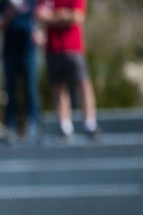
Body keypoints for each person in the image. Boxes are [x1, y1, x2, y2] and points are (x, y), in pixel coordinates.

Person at [35, 0, 97, 139]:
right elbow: (39, 15)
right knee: (58, 87)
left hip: (74, 47)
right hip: (52, 48)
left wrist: (51, 17)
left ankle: (90, 124)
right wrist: (62, 16)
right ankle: (65, 127)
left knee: (83, 85)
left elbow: (77, 17)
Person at [0, 0, 44, 143]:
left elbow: (42, 18)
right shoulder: (3, 4)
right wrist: (8, 14)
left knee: (30, 90)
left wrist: (41, 34)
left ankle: (32, 125)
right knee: (10, 91)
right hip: (10, 53)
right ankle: (11, 126)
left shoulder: (33, 2)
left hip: (28, 52)